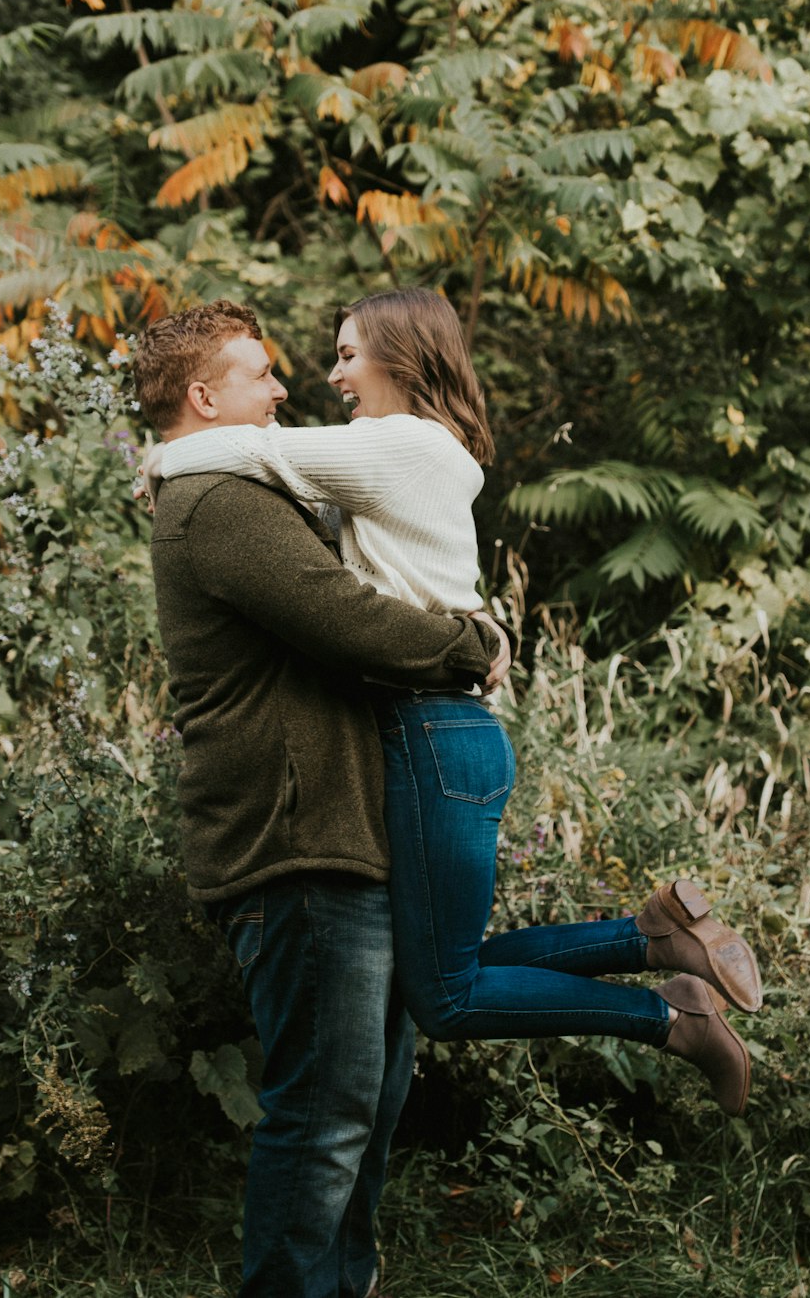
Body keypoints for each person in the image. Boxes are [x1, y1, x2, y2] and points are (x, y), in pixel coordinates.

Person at [150, 288, 763, 1121]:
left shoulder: (397, 443)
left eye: (347, 355)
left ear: (401, 359)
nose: (327, 376)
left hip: (432, 725)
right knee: (437, 972)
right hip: (433, 728)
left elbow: (256, 456)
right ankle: (651, 940)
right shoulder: (402, 448)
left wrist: (154, 460)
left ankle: (671, 1015)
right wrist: (476, 621)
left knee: (444, 995)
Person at [131, 299, 509, 1298]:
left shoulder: (236, 482)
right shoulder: (219, 503)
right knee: (325, 1116)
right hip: (293, 843)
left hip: (338, 835)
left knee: (366, 1106)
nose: (283, 388)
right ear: (205, 396)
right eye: (260, 375)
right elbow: (343, 618)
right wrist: (477, 643)